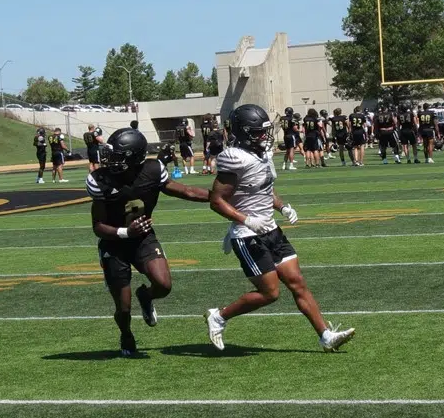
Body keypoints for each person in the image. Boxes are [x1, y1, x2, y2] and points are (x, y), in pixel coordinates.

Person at [203, 104, 355, 352]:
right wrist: (246, 220)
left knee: (297, 282)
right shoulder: (235, 158)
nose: (264, 136)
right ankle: (218, 317)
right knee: (270, 293)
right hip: (248, 234)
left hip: (270, 229)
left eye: (265, 131)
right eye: (258, 132)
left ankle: (325, 336)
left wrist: (282, 207)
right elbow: (216, 201)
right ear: (243, 133)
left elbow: (263, 187)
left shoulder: (260, 154)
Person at [86, 128, 210, 357]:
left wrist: (217, 197)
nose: (110, 160)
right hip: (114, 243)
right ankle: (126, 334)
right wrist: (125, 232)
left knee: (163, 285)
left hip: (142, 238)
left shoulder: (153, 170)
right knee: (123, 308)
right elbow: (98, 226)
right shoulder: (100, 179)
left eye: (117, 156)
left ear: (133, 158)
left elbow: (187, 191)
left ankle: (145, 296)